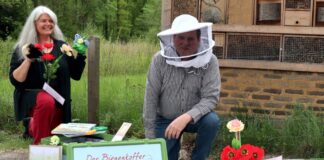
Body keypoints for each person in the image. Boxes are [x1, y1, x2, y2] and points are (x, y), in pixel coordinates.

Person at [143, 14, 221, 160]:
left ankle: (199, 157)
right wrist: (150, 139)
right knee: (164, 157)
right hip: (165, 119)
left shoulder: (210, 61)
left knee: (212, 121)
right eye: (181, 37)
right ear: (173, 38)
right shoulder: (159, 60)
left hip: (195, 119)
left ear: (199, 39)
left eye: (191, 38)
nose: (185, 43)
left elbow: (210, 98)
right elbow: (150, 98)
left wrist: (186, 117)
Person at [9, 6, 87, 144]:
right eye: (43, 20)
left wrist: (80, 54)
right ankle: (41, 147)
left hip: (58, 100)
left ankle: (32, 127)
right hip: (33, 97)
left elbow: (76, 75)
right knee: (46, 102)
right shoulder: (24, 47)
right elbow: (16, 80)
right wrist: (28, 59)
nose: (48, 24)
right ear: (34, 24)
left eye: (51, 21)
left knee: (55, 135)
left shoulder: (62, 46)